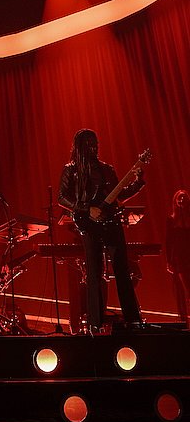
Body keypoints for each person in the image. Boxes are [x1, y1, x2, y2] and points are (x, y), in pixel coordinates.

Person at [58, 129, 144, 332]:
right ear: (80, 147)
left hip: (111, 221)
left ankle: (133, 319)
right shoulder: (71, 170)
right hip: (88, 223)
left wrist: (138, 182)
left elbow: (119, 195)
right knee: (94, 272)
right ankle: (94, 323)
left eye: (96, 143)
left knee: (122, 270)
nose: (94, 147)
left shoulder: (107, 169)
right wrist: (86, 209)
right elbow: (62, 197)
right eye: (90, 144)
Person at [165, 189, 190, 327]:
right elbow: (168, 241)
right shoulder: (172, 219)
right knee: (185, 289)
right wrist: (168, 260)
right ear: (175, 201)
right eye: (179, 198)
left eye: (184, 198)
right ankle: (185, 319)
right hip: (179, 257)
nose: (182, 200)